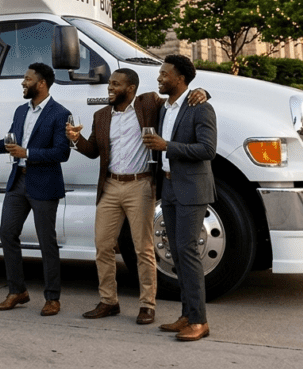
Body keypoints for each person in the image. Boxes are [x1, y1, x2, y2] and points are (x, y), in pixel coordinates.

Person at [66, 68, 207, 325]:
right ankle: (108, 301)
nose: (110, 88)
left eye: (115, 84)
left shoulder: (148, 103)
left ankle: (147, 305)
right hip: (110, 186)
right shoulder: (101, 116)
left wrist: (202, 91)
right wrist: (75, 139)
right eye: (109, 83)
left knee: (143, 248)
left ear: (130, 88)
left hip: (139, 185)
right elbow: (93, 150)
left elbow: (178, 98)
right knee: (103, 246)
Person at [0, 62, 70, 317]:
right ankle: (17, 291)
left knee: (46, 242)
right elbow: (11, 143)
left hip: (44, 183)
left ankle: (52, 298)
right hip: (18, 181)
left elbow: (62, 152)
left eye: (27, 79)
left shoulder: (60, 113)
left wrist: (28, 153)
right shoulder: (20, 111)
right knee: (7, 233)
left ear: (41, 84)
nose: (23, 83)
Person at [142, 54, 217, 342]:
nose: (159, 78)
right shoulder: (164, 108)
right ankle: (186, 315)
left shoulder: (201, 107)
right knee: (177, 254)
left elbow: (207, 149)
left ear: (180, 78)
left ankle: (199, 321)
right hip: (170, 187)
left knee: (187, 252)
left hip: (192, 189)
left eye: (164, 74)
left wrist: (167, 146)